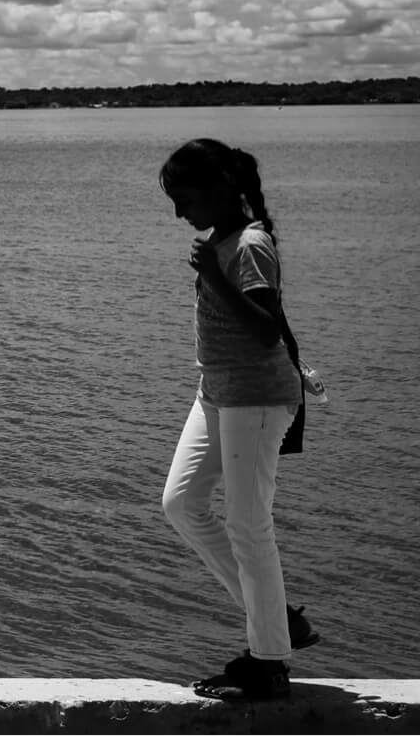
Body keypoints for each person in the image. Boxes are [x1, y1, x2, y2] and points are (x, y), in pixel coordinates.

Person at [157, 138, 320, 702]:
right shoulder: (219, 239)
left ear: (220, 186)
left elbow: (266, 328)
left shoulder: (250, 243)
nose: (181, 213)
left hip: (256, 399)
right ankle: (280, 621)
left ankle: (269, 660)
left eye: (185, 198)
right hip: (217, 394)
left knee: (249, 526)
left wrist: (218, 278)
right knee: (181, 504)